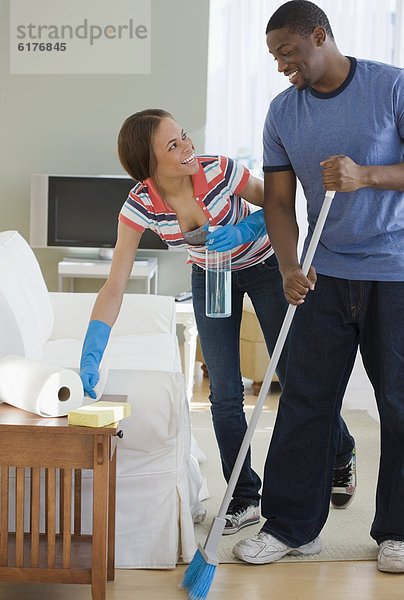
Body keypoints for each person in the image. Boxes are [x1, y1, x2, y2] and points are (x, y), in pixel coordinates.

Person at [233, 0, 404, 573]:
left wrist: (366, 175)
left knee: (399, 404)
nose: (282, 65)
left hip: (395, 271)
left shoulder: (391, 87)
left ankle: (398, 532)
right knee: (304, 400)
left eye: (289, 52)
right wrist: (287, 266)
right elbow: (280, 202)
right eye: (274, 57)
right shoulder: (284, 113)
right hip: (321, 274)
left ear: (321, 36)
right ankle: (291, 528)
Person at [79, 108, 290, 536]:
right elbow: (115, 285)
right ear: (148, 166)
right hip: (210, 276)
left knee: (296, 374)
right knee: (224, 394)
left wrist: (246, 228)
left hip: (264, 267)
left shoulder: (220, 170)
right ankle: (243, 498)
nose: (187, 146)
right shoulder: (141, 204)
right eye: (172, 145)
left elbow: (278, 203)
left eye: (184, 136)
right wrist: (92, 349)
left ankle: (341, 452)